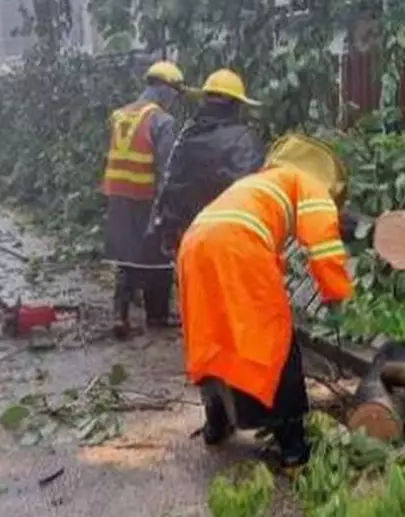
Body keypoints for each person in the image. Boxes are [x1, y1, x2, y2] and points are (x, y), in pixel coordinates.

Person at [176, 133, 353, 469]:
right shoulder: (307, 184)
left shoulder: (259, 183)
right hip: (237, 248)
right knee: (275, 341)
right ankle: (292, 445)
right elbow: (324, 243)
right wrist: (336, 293)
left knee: (213, 336)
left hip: (194, 246)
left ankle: (217, 422)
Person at [146, 68, 266, 262]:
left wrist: (168, 232)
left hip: (190, 241)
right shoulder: (245, 140)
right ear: (236, 104)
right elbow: (254, 196)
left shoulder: (186, 138)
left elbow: (171, 188)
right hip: (230, 244)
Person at [100, 61, 183, 336]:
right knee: (158, 254)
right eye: (175, 92)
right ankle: (157, 315)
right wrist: (167, 204)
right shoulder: (162, 120)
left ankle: (120, 314)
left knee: (126, 254)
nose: (175, 99)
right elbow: (166, 167)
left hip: (118, 192)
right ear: (165, 89)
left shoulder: (120, 114)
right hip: (145, 194)